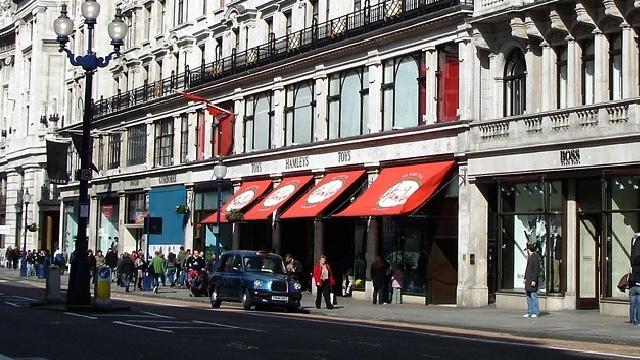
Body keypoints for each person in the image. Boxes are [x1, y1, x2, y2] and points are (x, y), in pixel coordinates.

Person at [523, 243, 541, 318]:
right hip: (528, 279)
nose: (526, 251)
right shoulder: (530, 257)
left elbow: (536, 270)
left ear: (528, 249)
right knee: (528, 296)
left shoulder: (535, 257)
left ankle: (535, 312)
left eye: (527, 249)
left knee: (533, 296)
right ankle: (530, 312)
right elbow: (527, 269)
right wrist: (525, 278)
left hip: (532, 279)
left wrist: (534, 280)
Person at [630, 234, 640, 325]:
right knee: (638, 300)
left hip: (633, 279)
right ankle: (637, 320)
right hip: (637, 279)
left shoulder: (634, 242)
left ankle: (632, 319)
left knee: (633, 300)